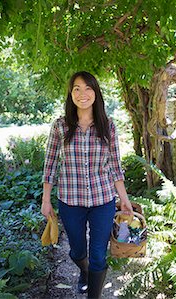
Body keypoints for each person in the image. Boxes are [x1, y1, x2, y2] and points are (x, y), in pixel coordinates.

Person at [41, 71, 133, 299]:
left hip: (103, 200)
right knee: (77, 250)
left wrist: (124, 199)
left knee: (99, 255)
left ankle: (94, 294)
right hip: (70, 201)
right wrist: (46, 200)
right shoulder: (60, 127)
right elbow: (50, 164)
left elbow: (115, 166)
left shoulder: (108, 126)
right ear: (71, 94)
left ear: (96, 93)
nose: (83, 94)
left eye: (88, 88)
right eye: (77, 89)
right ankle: (84, 271)